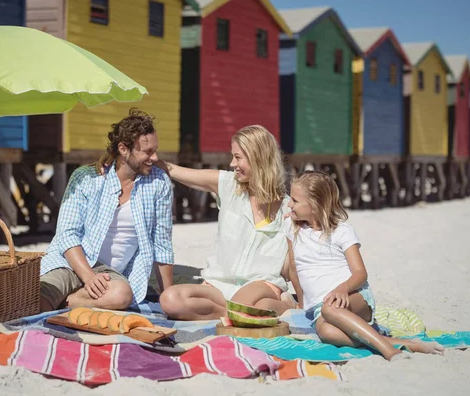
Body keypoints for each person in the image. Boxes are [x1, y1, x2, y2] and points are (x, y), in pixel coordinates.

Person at [285, 171, 444, 361]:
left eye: (294, 201)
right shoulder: (292, 227)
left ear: (314, 205)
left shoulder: (342, 232)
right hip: (320, 309)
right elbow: (294, 268)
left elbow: (360, 273)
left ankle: (389, 351)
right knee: (325, 331)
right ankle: (398, 342)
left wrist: (343, 289)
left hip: (353, 297)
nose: (289, 204)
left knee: (329, 310)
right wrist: (303, 303)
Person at [155, 125, 297, 320]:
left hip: (260, 284)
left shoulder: (289, 208)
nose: (232, 163)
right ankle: (241, 315)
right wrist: (156, 162)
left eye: (238, 157)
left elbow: (295, 262)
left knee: (241, 304)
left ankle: (271, 307)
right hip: (218, 284)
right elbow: (183, 173)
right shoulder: (229, 185)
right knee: (169, 299)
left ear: (258, 157)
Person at [39, 108, 174, 312]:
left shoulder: (159, 182)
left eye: (155, 150)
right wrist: (88, 276)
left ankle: (69, 301)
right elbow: (67, 234)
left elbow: (162, 243)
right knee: (37, 299)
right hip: (71, 262)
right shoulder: (86, 178)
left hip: (110, 275)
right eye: (147, 151)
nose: (154, 158)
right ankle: (61, 299)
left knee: (122, 296)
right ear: (123, 149)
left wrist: (168, 298)